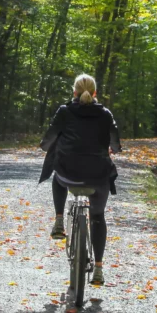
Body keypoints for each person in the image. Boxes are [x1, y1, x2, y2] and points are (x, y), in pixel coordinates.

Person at [40, 73, 122, 286]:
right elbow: (116, 144)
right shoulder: (105, 114)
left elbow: (49, 137)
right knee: (98, 216)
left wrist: (46, 147)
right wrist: (112, 148)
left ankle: (59, 220)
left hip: (69, 174)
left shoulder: (65, 111)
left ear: (74, 92)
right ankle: (99, 268)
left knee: (57, 177)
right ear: (95, 93)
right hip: (98, 178)